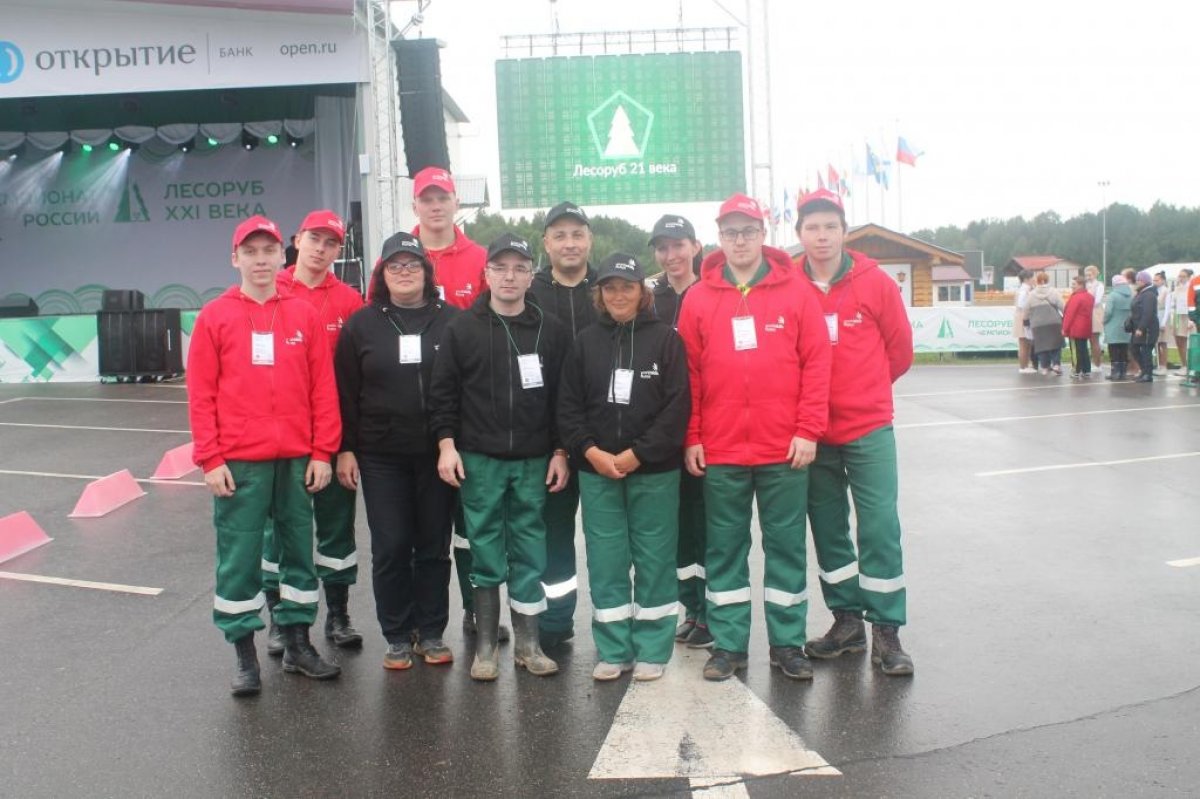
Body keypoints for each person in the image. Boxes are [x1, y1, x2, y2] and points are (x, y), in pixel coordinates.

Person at [676, 194, 831, 682]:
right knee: (725, 549)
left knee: (786, 548)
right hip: (721, 450)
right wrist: (693, 436)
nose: (739, 241)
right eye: (730, 232)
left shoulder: (798, 291)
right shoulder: (698, 298)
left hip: (783, 449)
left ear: (764, 233)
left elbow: (817, 366)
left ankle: (787, 644)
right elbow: (690, 375)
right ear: (718, 239)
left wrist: (808, 430)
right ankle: (729, 645)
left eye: (748, 231)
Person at [188, 215, 342, 697]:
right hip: (239, 464)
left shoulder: (302, 314)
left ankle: (297, 644)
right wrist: (210, 459)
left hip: (297, 460)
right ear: (235, 258)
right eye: (250, 252)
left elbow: (323, 389)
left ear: (283, 256)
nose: (260, 260)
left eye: (268, 251)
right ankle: (245, 656)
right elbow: (201, 395)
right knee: (238, 559)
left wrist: (323, 452)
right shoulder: (215, 316)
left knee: (299, 554)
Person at [429, 232, 572, 681]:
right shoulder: (461, 329)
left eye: (519, 268)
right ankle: (487, 647)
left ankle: (528, 645)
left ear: (531, 275)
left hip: (533, 459)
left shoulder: (552, 331)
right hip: (480, 459)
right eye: (500, 267)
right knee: (485, 547)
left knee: (531, 549)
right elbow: (443, 394)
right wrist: (447, 444)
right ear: (486, 273)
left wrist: (560, 451)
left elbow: (561, 400)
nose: (509, 276)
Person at [791, 189, 916, 677]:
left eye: (830, 227)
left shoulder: (874, 282)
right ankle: (846, 621)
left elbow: (899, 351)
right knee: (828, 527)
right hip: (813, 432)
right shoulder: (789, 284)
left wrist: (865, 391)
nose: (821, 236)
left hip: (868, 427)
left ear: (844, 232)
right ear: (799, 234)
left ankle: (887, 630)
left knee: (880, 525)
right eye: (812, 228)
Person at [558, 252, 690, 682]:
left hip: (653, 472)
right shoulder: (585, 342)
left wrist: (638, 454)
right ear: (599, 293)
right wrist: (591, 452)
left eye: (627, 287)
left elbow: (676, 409)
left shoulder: (666, 339)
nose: (618, 295)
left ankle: (653, 647)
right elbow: (569, 408)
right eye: (610, 287)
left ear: (642, 292)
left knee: (654, 559)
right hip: (597, 472)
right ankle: (614, 649)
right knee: (607, 560)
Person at [333, 232, 459, 670]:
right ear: (382, 274)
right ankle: (397, 634)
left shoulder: (452, 320)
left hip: (437, 454)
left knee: (433, 545)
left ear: (427, 271)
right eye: (395, 265)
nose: (404, 272)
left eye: (412, 264)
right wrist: (346, 449)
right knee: (390, 545)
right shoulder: (362, 324)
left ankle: (433, 630)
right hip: (380, 454)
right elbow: (346, 393)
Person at [262, 210, 365, 655]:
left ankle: (338, 616)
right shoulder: (270, 289)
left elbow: (360, 381)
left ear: (339, 251)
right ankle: (278, 618)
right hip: (280, 436)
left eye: (331, 243)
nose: (321, 249)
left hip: (333, 434)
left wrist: (348, 447)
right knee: (277, 531)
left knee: (336, 530)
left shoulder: (349, 301)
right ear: (297, 239)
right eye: (314, 239)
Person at [408, 165, 498, 642]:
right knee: (422, 524)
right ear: (415, 205)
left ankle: (474, 607)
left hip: (467, 412)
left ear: (455, 203)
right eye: (427, 198)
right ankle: (424, 618)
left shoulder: (481, 258)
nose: (436, 205)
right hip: (406, 411)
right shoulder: (399, 257)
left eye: (443, 197)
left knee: (471, 520)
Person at [527, 201, 598, 649]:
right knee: (553, 536)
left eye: (577, 234)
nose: (569, 243)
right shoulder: (528, 292)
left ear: (589, 239)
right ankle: (556, 624)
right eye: (560, 235)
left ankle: (626, 620)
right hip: (547, 439)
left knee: (610, 536)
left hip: (605, 439)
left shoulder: (611, 288)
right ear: (546, 244)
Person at [647, 214, 712, 650]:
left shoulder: (710, 292)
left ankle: (711, 612)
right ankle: (692, 608)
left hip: (705, 426)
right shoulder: (649, 298)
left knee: (707, 526)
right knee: (679, 529)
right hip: (666, 429)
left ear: (695, 246)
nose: (671, 255)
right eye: (663, 248)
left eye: (678, 245)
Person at [1026, 272, 1065, 375]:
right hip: (1054, 322)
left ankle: (1044, 367)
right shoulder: (1054, 292)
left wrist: (1026, 321)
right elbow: (1062, 306)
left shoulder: (1031, 294)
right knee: (1056, 344)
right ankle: (1056, 364)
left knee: (1041, 346)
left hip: (1037, 324)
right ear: (1047, 280)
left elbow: (1026, 310)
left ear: (1037, 281)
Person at [1062, 274, 1095, 379]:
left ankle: (1076, 370)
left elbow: (1069, 314)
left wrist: (1064, 328)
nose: (1072, 286)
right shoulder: (1089, 297)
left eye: (1074, 284)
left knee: (1076, 351)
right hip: (1086, 326)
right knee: (1084, 349)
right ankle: (1086, 370)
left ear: (1081, 285)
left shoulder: (1076, 297)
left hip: (1075, 328)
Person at [1130, 270, 1160, 383]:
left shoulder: (1149, 295)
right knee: (1134, 348)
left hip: (1147, 329)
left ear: (1145, 281)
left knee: (1146, 351)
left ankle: (1148, 374)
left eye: (1139, 280)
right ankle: (1144, 371)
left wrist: (1141, 328)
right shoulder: (1141, 293)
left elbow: (1148, 313)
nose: (1137, 282)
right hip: (1137, 328)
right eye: (1137, 279)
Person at [1103, 274, 1134, 381]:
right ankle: (1123, 372)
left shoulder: (1112, 295)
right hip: (1126, 326)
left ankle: (1115, 372)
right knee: (1124, 349)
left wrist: (1104, 321)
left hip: (1113, 325)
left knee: (1114, 349)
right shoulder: (1131, 295)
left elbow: (1108, 312)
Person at [1168, 269, 1194, 375]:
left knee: (1190, 342)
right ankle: (1184, 365)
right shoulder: (1177, 289)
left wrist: (1191, 320)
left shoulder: (1191, 288)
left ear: (1188, 277)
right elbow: (1172, 304)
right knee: (1179, 340)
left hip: (1188, 316)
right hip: (1178, 316)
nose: (1181, 278)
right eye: (1179, 276)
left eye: (1183, 276)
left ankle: (1192, 366)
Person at [1084, 265, 1105, 371]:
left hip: (1095, 313)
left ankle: (1097, 364)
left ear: (1095, 274)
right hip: (1087, 313)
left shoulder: (1099, 285)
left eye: (1090, 275)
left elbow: (1097, 301)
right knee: (1090, 341)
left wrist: (1086, 303)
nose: (1088, 277)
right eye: (1086, 275)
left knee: (1094, 339)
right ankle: (1093, 362)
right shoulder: (1086, 285)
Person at [1014, 270, 1036, 373]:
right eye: (1032, 277)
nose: (1034, 279)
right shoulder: (1024, 290)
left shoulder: (1026, 289)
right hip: (1023, 316)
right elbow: (1022, 305)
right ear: (1027, 279)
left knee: (1027, 343)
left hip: (1023, 316)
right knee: (1024, 343)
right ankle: (1023, 367)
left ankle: (1026, 365)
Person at [1153, 272, 1170, 375]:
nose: (1155, 282)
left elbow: (1167, 308)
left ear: (1163, 280)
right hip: (1155, 317)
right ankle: (1159, 365)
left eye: (1157, 280)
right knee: (1157, 343)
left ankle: (1164, 366)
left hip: (1163, 317)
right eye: (1154, 280)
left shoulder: (1166, 291)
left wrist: (1163, 323)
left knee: (1163, 343)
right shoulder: (1154, 290)